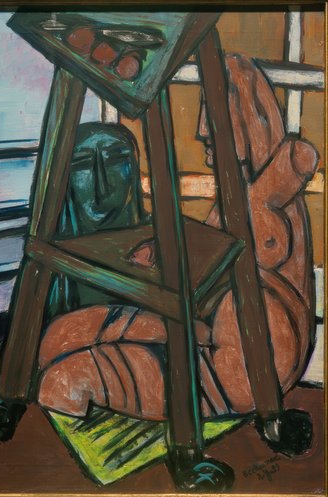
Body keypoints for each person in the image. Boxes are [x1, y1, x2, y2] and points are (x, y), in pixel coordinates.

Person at [36, 53, 318, 423]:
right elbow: (214, 260)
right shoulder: (241, 194)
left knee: (62, 382)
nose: (201, 133)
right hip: (204, 331)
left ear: (240, 121)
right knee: (57, 337)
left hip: (237, 371)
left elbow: (298, 163)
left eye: (210, 116)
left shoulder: (267, 198)